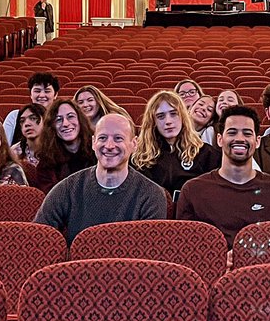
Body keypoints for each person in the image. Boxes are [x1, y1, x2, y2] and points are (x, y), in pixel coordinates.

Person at [36, 112, 168, 244]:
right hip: (78, 264)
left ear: (134, 144)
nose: (109, 146)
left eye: (118, 139)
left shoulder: (152, 194)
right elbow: (39, 239)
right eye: (103, 138)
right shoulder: (67, 188)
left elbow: (150, 253)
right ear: (94, 143)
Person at [176, 105, 270, 248]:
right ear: (220, 139)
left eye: (247, 133)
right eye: (232, 133)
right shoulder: (193, 190)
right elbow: (186, 247)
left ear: (257, 141)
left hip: (263, 268)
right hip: (213, 268)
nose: (240, 139)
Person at [131, 90, 221, 196]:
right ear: (153, 122)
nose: (168, 121)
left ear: (183, 117)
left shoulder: (206, 154)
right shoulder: (140, 159)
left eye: (174, 114)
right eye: (160, 116)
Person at [29, 99, 96, 193]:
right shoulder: (46, 164)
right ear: (52, 127)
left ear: (80, 120)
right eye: (59, 120)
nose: (65, 124)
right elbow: (51, 199)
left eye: (70, 116)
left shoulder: (98, 152)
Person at [3, 72, 59, 143]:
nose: (41, 95)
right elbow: (4, 146)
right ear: (31, 94)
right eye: (37, 91)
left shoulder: (60, 117)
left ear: (55, 95)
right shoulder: (15, 116)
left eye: (47, 91)